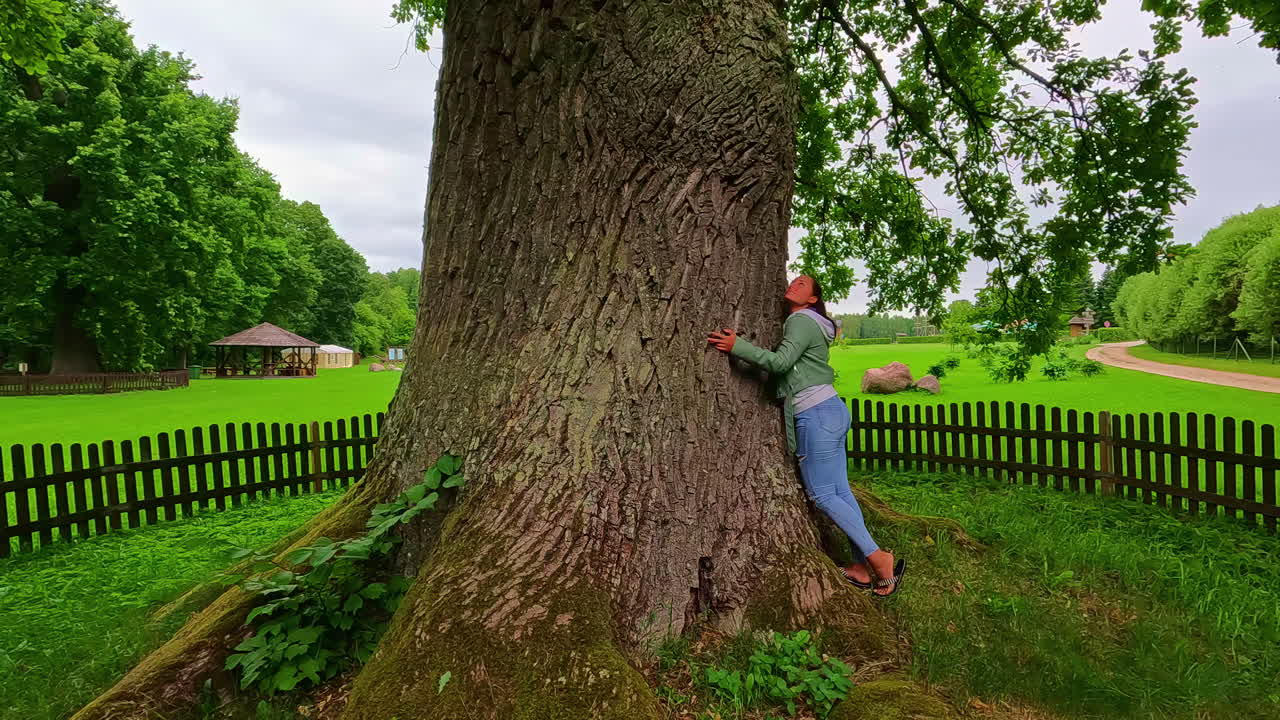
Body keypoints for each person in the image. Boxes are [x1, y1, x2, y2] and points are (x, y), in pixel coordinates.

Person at [707, 275, 905, 596]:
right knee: (840, 492)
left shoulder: (799, 320)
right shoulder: (815, 323)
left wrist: (736, 346)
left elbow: (781, 363)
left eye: (803, 284)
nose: (795, 284)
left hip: (815, 413)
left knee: (824, 496)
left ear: (812, 299)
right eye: (794, 280)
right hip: (832, 409)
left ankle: (878, 559)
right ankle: (860, 567)